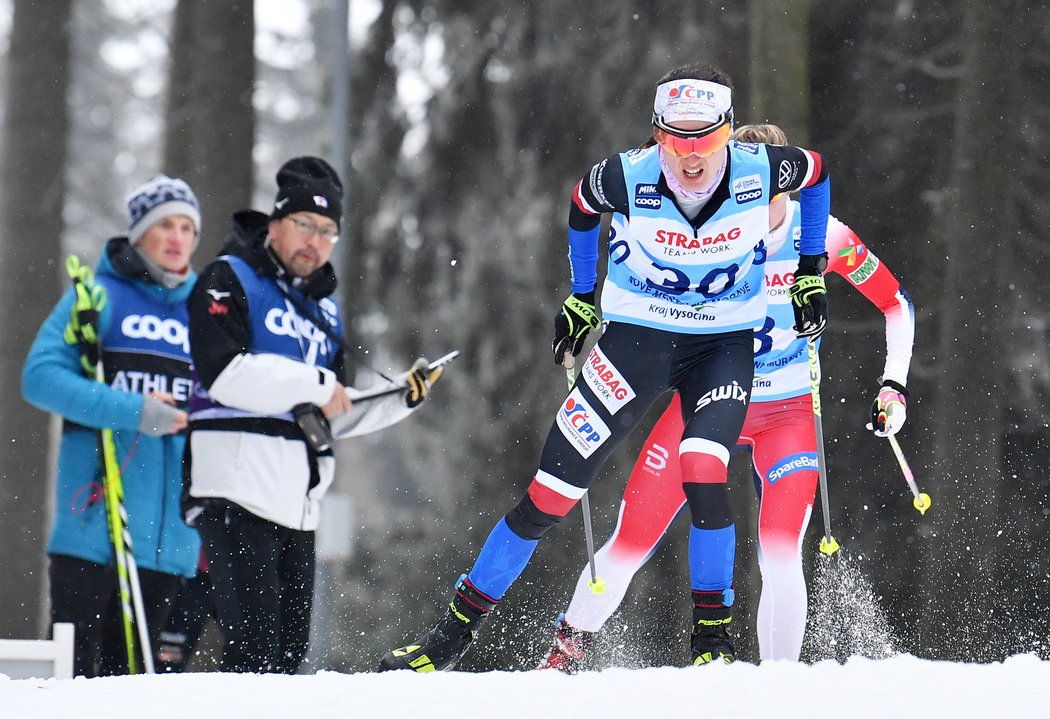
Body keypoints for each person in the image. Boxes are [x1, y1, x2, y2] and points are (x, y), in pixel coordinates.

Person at [380, 62, 831, 672]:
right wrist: (581, 293)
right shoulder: (626, 175)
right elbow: (580, 204)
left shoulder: (760, 169)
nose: (691, 154)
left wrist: (809, 267)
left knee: (703, 467)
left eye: (705, 136)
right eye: (676, 137)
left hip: (721, 345)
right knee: (549, 496)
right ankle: (448, 640)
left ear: (728, 131)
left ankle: (712, 647)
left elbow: (818, 173)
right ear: (657, 133)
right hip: (637, 341)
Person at [537, 123, 916, 670]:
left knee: (782, 554)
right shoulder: (699, 229)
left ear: (781, 188)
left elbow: (896, 304)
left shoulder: (825, 238)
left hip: (783, 414)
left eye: (756, 191)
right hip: (704, 405)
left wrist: (894, 386)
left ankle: (776, 690)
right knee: (629, 543)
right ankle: (563, 657)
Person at [182, 156, 444, 674]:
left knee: (287, 659)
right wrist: (318, 382)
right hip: (235, 490)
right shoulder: (225, 277)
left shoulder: (324, 309)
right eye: (305, 225)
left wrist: (399, 399)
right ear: (275, 222)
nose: (316, 242)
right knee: (254, 656)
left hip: (298, 503)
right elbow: (224, 375)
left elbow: (332, 412)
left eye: (328, 232)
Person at [22, 175, 204, 677]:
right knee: (75, 687)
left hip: (171, 545)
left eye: (187, 227)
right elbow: (39, 378)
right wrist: (134, 410)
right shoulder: (97, 296)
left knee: (139, 695)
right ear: (139, 233)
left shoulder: (205, 313)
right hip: (93, 532)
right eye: (164, 224)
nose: (176, 238)